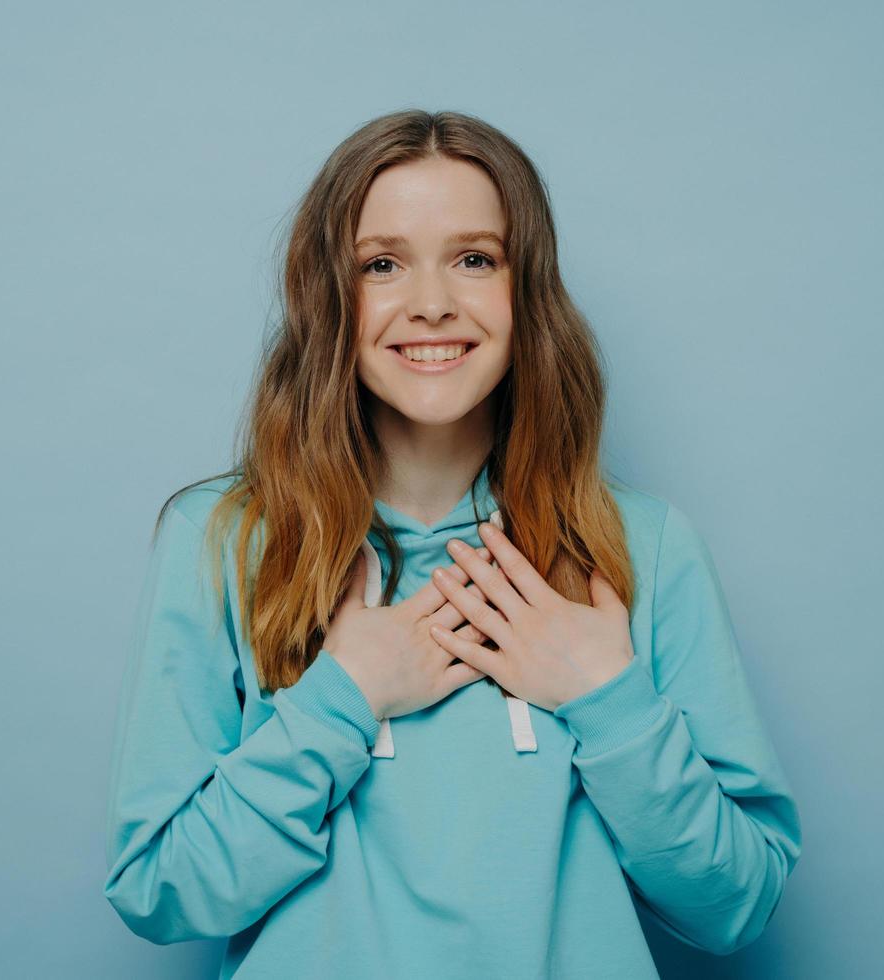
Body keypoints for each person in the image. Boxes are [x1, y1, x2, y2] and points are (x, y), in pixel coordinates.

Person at [103, 108, 802, 979]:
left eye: (475, 259)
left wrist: (607, 699)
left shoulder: (644, 548)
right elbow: (161, 890)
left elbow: (737, 902)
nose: (431, 303)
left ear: (527, 291)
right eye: (382, 264)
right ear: (332, 297)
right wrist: (341, 702)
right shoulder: (221, 542)